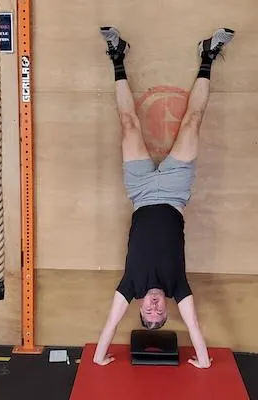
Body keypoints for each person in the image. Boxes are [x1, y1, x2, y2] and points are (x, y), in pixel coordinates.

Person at [92, 26, 235, 369]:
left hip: (140, 192)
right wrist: (202, 361)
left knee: (128, 125)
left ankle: (117, 55)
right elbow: (194, 326)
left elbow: (111, 324)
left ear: (139, 305)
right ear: (166, 307)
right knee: (192, 124)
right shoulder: (177, 286)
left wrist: (98, 359)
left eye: (149, 313)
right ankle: (208, 55)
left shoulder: (130, 285)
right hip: (173, 193)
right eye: (160, 313)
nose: (155, 308)